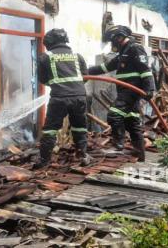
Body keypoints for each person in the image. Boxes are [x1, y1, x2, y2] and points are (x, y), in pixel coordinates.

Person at [88, 25, 155, 162]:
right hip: (125, 90)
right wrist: (86, 71)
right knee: (132, 122)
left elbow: (145, 70)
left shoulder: (135, 48)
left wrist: (150, 89)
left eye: (112, 40)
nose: (112, 44)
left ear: (119, 37)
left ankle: (118, 146)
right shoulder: (123, 53)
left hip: (132, 90)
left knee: (114, 115)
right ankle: (140, 154)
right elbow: (105, 67)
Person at [35, 28, 92, 169]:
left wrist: (59, 85)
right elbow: (85, 76)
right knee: (79, 127)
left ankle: (44, 161)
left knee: (50, 130)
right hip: (79, 96)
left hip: (59, 98)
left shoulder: (45, 57)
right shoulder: (77, 55)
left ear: (49, 42)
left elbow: (42, 79)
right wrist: (74, 87)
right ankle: (83, 155)